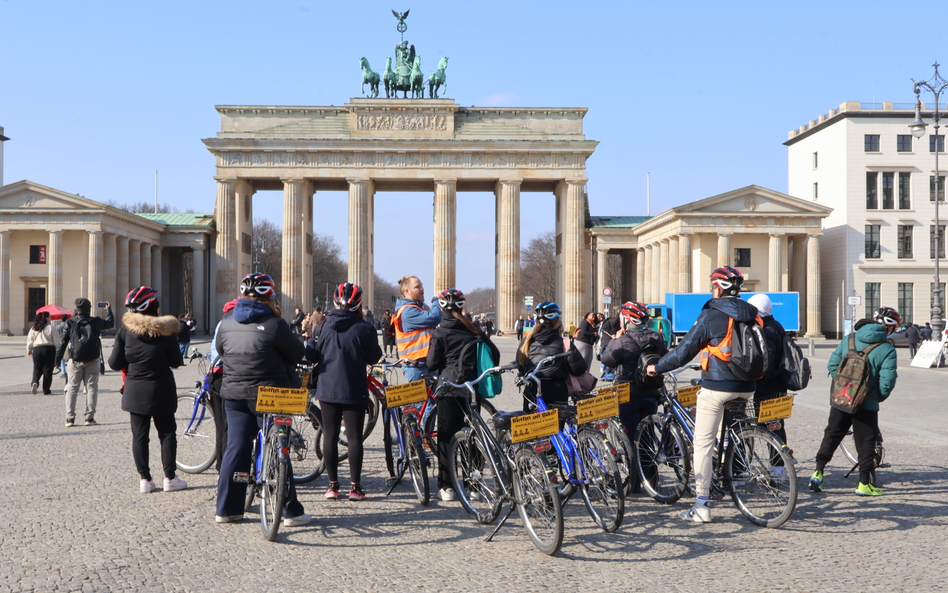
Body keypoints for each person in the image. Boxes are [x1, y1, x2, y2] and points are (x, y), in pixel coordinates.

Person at [646, 266, 761, 523]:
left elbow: (684, 351)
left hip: (718, 386)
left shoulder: (711, 313)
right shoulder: (751, 314)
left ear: (717, 288)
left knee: (703, 444)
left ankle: (701, 505)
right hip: (748, 386)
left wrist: (658, 367)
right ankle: (735, 468)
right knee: (733, 432)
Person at [214, 272, 310, 525]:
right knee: (280, 447)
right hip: (271, 394)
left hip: (234, 393)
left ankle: (227, 509)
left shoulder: (226, 321)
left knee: (236, 447)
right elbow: (297, 353)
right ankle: (290, 511)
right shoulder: (275, 324)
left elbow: (222, 351)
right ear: (270, 295)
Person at [809, 308, 898, 497]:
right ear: (890, 328)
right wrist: (874, 397)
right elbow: (887, 381)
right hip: (866, 404)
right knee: (866, 441)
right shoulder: (887, 348)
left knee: (831, 435)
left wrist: (845, 387)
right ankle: (863, 484)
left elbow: (832, 365)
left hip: (841, 399)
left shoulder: (849, 338)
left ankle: (817, 473)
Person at [108, 286, 187, 493]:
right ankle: (170, 477)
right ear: (154, 306)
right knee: (168, 434)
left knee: (140, 436)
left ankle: (145, 479)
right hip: (162, 388)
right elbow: (177, 361)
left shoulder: (125, 331)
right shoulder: (167, 331)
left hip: (135, 390)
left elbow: (114, 364)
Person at [426, 288, 500, 501]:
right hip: (471, 389)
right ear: (461, 306)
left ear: (441, 308)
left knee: (447, 438)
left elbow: (431, 363)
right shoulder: (474, 329)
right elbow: (493, 353)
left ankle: (447, 487)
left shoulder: (439, 332)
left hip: (448, 389)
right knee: (473, 436)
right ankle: (474, 486)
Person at [311, 283, 382, 501]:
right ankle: (355, 487)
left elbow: (312, 355)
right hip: (354, 388)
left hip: (327, 387)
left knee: (330, 436)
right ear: (358, 304)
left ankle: (332, 486)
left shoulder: (321, 326)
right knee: (353, 438)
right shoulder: (364, 328)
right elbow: (374, 358)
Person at [601, 301, 668, 492]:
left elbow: (606, 359)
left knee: (630, 438)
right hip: (651, 392)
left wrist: (614, 339)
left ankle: (633, 482)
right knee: (647, 435)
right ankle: (651, 478)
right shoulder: (657, 338)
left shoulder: (623, 340)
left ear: (626, 320)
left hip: (628, 394)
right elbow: (665, 356)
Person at [516, 301, 587, 412]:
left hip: (532, 389)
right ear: (557, 321)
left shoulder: (526, 342)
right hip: (556, 389)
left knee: (531, 426)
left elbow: (520, 365)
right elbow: (578, 369)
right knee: (557, 427)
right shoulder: (564, 342)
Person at [55, 298, 114, 427]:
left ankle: (70, 418)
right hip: (92, 359)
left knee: (72, 388)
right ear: (89, 309)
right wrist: (108, 309)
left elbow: (62, 342)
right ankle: (89, 418)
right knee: (92, 388)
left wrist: (57, 359)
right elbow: (110, 323)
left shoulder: (70, 322)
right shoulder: (96, 321)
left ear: (77, 309)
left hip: (75, 359)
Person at [747, 294, 790, 451]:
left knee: (772, 427)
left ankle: (777, 467)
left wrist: (757, 381)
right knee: (776, 425)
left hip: (769, 386)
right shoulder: (776, 325)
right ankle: (778, 466)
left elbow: (768, 361)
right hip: (778, 384)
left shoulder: (766, 329)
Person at [393, 275, 442, 382]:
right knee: (423, 399)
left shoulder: (414, 309)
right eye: (417, 287)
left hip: (423, 363)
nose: (422, 288)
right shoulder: (408, 311)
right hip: (415, 367)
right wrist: (436, 302)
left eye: (422, 286)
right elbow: (435, 318)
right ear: (407, 291)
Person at [208, 298, 238, 472]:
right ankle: (230, 466)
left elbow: (218, 349)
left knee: (221, 425)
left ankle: (221, 466)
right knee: (232, 426)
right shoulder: (243, 323)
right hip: (233, 376)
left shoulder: (222, 324)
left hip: (216, 376)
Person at [27, 311, 60, 395]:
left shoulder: (33, 328)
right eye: (50, 317)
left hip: (37, 349)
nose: (51, 318)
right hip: (49, 349)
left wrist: (29, 350)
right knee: (47, 370)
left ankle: (35, 382)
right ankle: (46, 389)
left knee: (37, 368)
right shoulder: (52, 328)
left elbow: (29, 340)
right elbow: (57, 342)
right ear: (46, 318)